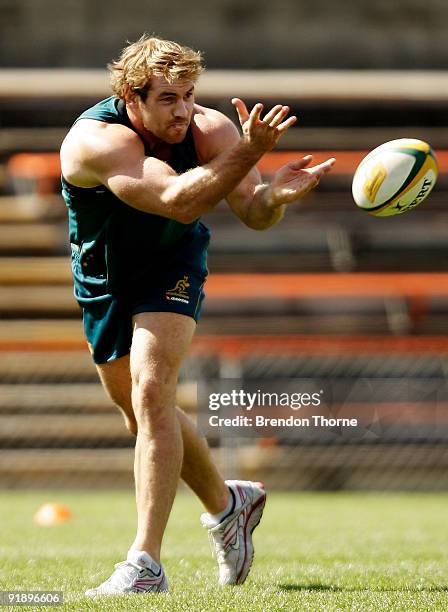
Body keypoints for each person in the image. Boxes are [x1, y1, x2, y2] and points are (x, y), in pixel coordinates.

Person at [60, 34, 335, 597]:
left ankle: (144, 565)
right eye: (168, 99)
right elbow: (177, 199)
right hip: (103, 280)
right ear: (130, 97)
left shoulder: (213, 131)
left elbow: (252, 214)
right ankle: (230, 505)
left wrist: (273, 199)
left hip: (172, 266)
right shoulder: (97, 140)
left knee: (152, 391)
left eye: (189, 95)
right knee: (141, 415)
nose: (184, 110)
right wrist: (248, 156)